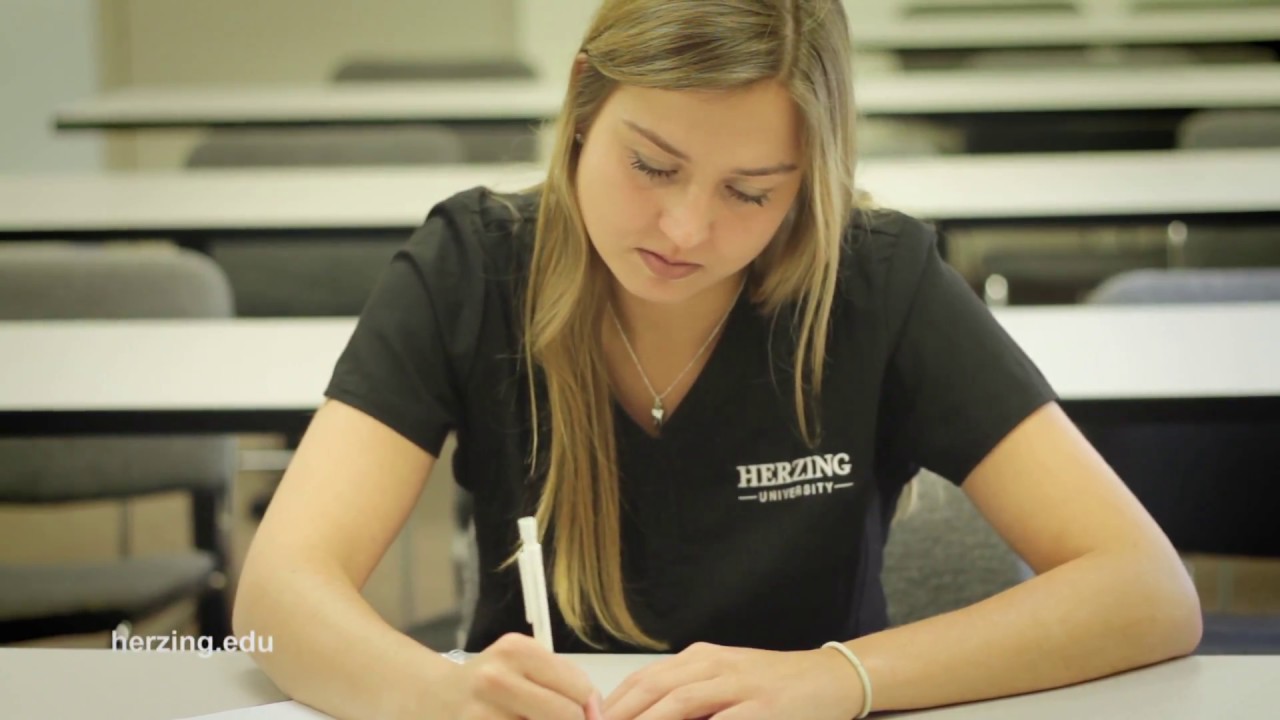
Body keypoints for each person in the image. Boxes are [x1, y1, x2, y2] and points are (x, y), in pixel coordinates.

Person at [232, 1, 1203, 718]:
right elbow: (279, 591)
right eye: (650, 165)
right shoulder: (474, 265)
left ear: (809, 179)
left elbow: (1142, 590)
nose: (684, 228)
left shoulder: (872, 282)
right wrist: (439, 699)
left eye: (751, 191)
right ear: (581, 100)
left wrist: (842, 675)